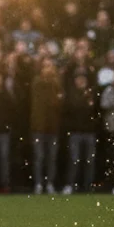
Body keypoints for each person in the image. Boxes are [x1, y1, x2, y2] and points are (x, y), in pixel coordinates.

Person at [30, 61, 64, 194]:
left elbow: (58, 103)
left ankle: (49, 183)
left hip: (52, 127)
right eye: (46, 66)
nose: (48, 69)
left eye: (50, 66)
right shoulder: (37, 83)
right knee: (39, 157)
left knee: (51, 158)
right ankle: (38, 184)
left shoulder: (56, 84)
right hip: (39, 127)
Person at [63, 71, 99, 193]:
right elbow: (72, 107)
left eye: (83, 79)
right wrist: (85, 100)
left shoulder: (91, 93)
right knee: (74, 160)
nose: (81, 81)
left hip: (89, 131)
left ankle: (88, 185)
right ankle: (71, 184)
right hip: (75, 131)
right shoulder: (72, 94)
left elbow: (95, 110)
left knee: (90, 161)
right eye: (79, 79)